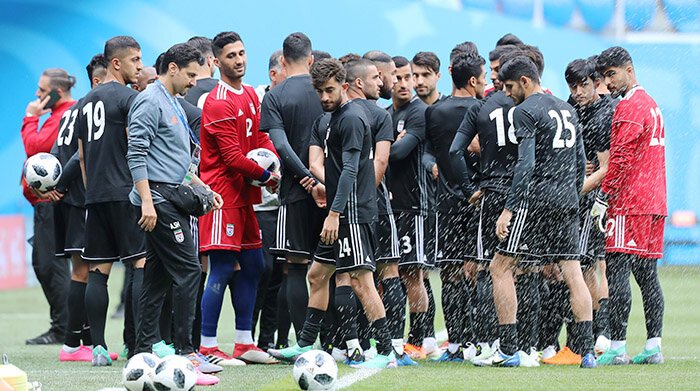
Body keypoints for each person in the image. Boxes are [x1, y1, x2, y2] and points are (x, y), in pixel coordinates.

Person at [269, 58, 398, 369]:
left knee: (361, 280)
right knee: (317, 275)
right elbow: (331, 167)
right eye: (319, 92)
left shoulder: (352, 119)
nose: (324, 97)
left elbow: (352, 170)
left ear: (344, 86)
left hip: (351, 212)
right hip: (341, 211)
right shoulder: (329, 118)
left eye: (329, 91)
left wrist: (334, 213)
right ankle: (303, 345)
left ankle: (385, 353)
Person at [475, 56, 596, 368]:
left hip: (535, 201)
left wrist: (509, 209)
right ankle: (587, 352)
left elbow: (525, 164)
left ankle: (509, 350)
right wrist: (571, 194)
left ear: (525, 81)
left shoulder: (525, 111)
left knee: (500, 268)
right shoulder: (567, 108)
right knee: (572, 272)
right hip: (567, 200)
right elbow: (581, 163)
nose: (508, 94)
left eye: (511, 87)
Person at [127, 42, 222, 386]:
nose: (195, 82)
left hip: (172, 193)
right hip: (160, 200)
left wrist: (202, 188)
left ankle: (142, 352)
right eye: (191, 75)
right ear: (172, 69)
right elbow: (135, 153)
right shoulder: (150, 101)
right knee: (188, 272)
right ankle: (187, 354)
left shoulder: (174, 104)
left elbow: (175, 160)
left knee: (156, 279)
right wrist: (148, 201)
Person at [196, 31, 279, 366]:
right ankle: (208, 346)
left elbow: (260, 135)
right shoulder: (217, 102)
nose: (240, 60)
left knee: (255, 265)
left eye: (242, 53)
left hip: (244, 196)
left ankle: (244, 342)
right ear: (217, 62)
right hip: (221, 197)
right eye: (231, 56)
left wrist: (274, 163)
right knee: (222, 268)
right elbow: (231, 157)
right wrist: (267, 177)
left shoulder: (248, 94)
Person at [75, 35, 146, 366]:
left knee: (98, 271)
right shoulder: (129, 99)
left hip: (96, 197)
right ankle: (141, 344)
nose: (140, 67)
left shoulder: (85, 101)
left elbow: (82, 155)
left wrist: (92, 193)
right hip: (125, 194)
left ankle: (99, 348)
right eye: (135, 60)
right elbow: (137, 148)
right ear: (116, 63)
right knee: (140, 265)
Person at [593, 46, 666, 366]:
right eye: (604, 77)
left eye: (612, 74)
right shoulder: (651, 105)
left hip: (629, 203)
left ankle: (618, 346)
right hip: (654, 201)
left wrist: (603, 198)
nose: (608, 83)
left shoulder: (628, 107)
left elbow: (619, 160)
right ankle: (653, 345)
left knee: (618, 268)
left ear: (629, 70)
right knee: (647, 274)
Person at [541, 58, 616, 365]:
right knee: (575, 268)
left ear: (596, 82)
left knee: (584, 268)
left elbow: (605, 168)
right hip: (574, 198)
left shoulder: (602, 114)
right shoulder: (572, 107)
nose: (578, 92)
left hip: (588, 200)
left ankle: (591, 338)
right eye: (573, 86)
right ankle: (590, 337)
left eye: (583, 85)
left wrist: (574, 188)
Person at [260, 32, 326, 340]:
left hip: (295, 193)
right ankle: (336, 340)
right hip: (333, 192)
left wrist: (306, 180)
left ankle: (304, 342)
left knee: (296, 265)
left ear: (283, 61)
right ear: (312, 60)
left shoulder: (274, 96)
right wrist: (320, 180)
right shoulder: (326, 91)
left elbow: (281, 146)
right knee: (332, 267)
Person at [426, 51, 486, 362]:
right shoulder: (482, 109)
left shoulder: (434, 112)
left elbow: (429, 153)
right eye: (484, 77)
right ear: (473, 80)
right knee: (475, 271)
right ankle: (475, 341)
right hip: (476, 201)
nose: (487, 82)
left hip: (446, 202)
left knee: (448, 273)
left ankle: (454, 343)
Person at [21, 68, 74, 346]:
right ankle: (64, 326)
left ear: (58, 91)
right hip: (47, 202)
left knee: (49, 265)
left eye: (42, 91)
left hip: (51, 202)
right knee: (47, 264)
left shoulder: (63, 115)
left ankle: (63, 328)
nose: (38, 95)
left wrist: (30, 118)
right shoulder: (59, 115)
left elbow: (35, 148)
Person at [386, 56, 430, 360]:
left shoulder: (419, 112)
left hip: (413, 205)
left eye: (409, 77)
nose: (405, 83)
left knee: (412, 273)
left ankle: (417, 338)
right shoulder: (386, 114)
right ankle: (390, 336)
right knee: (387, 273)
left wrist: (383, 144)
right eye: (399, 77)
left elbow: (399, 152)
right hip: (387, 206)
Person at [252, 49, 290, 353]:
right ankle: (246, 337)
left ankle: (271, 340)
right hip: (259, 206)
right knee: (260, 271)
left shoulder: (296, 103)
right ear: (274, 74)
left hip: (285, 206)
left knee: (281, 274)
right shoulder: (254, 101)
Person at [410, 52, 445, 356]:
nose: (419, 82)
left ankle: (462, 336)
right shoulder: (408, 112)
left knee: (450, 271)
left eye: (424, 75)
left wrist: (436, 161)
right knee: (417, 270)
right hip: (417, 204)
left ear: (438, 76)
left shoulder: (444, 110)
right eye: (414, 75)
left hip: (447, 206)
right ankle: (422, 335)